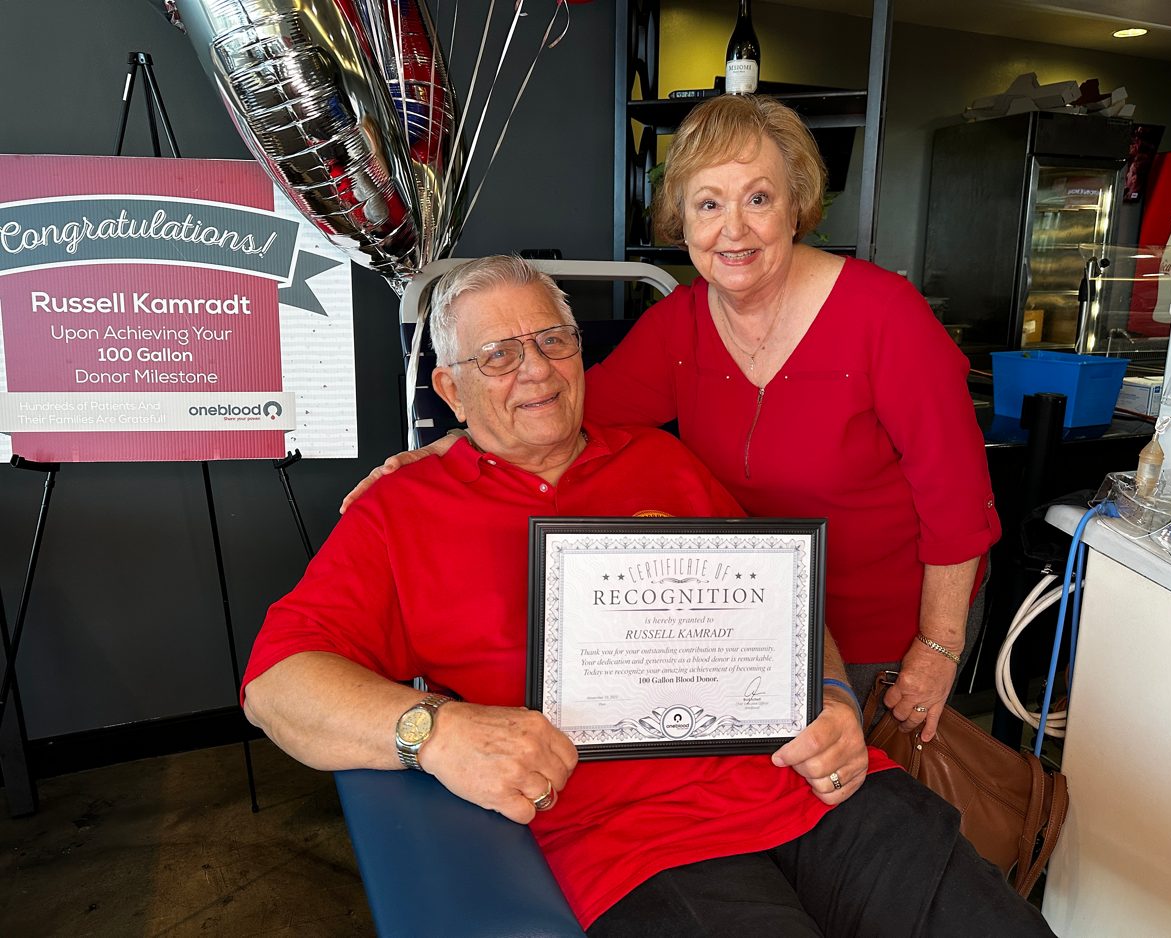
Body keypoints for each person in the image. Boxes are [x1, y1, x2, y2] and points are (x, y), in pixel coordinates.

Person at [248, 256, 1052, 936]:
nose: (534, 369)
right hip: (632, 843)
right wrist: (433, 730)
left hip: (805, 786)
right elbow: (275, 686)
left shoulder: (661, 462)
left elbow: (781, 601)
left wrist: (836, 697)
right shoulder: (400, 513)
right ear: (451, 391)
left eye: (552, 340)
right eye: (497, 355)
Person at [340, 95, 1000, 741]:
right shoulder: (679, 325)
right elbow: (556, 409)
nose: (732, 229)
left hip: (885, 628)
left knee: (875, 796)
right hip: (749, 626)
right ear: (681, 220)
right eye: (708, 204)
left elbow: (958, 502)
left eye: (758, 199)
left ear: (796, 204)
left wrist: (937, 649)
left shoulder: (885, 316)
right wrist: (444, 445)